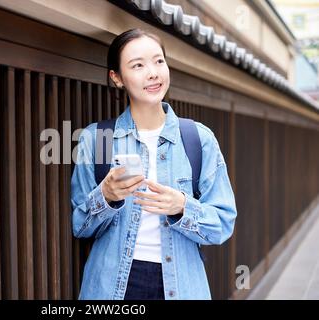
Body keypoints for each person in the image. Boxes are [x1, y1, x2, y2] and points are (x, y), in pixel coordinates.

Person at [70, 28, 237, 300]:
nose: (153, 72)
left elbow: (223, 223)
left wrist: (182, 206)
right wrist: (106, 197)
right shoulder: (97, 139)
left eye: (159, 61)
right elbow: (80, 226)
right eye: (138, 65)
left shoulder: (198, 139)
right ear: (117, 78)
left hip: (182, 284)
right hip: (113, 286)